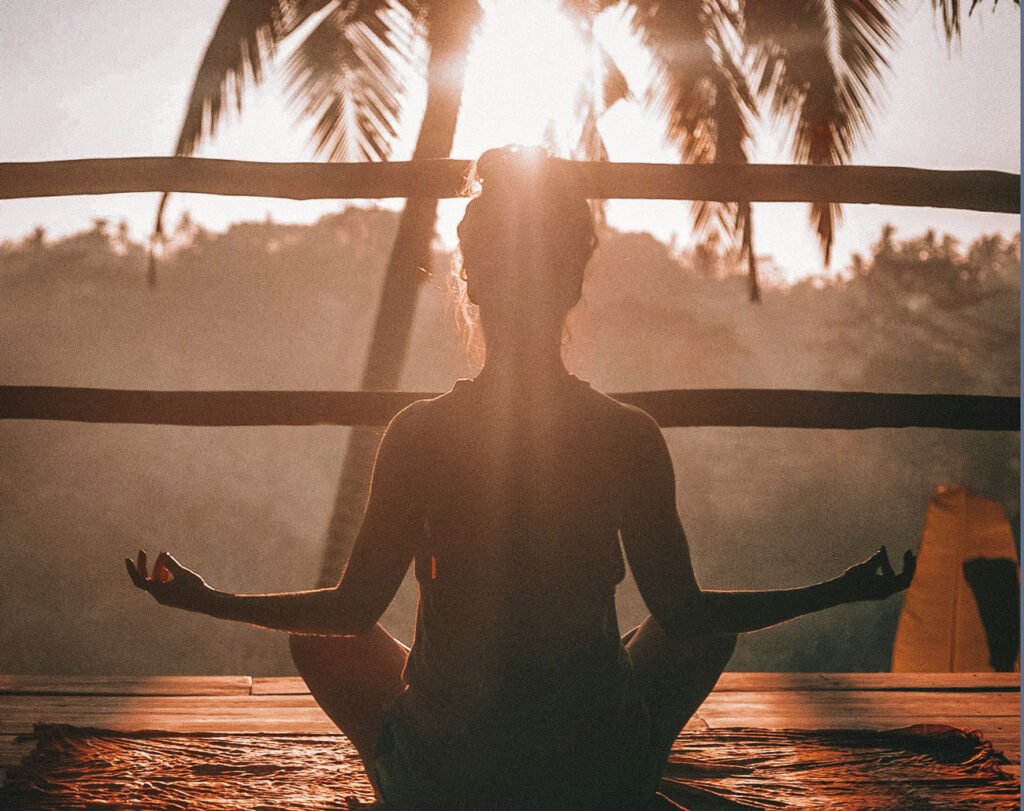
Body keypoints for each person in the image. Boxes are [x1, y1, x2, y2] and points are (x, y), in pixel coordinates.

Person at [126, 146, 916, 810]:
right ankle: (627, 774)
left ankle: (414, 779)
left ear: (471, 278)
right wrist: (837, 589)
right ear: (574, 280)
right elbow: (685, 611)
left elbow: (349, 610)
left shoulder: (421, 434)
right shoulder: (626, 436)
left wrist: (206, 598)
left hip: (451, 777)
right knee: (698, 632)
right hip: (590, 772)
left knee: (319, 640)